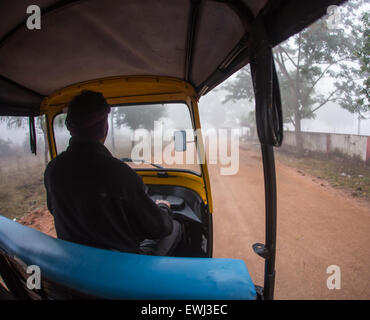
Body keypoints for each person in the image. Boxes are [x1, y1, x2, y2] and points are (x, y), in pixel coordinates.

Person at [44, 90, 181, 256]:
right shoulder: (122, 174)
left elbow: (54, 209)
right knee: (174, 227)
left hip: (75, 262)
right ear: (105, 128)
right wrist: (163, 207)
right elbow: (159, 228)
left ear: (71, 128)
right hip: (121, 268)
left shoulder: (53, 169)